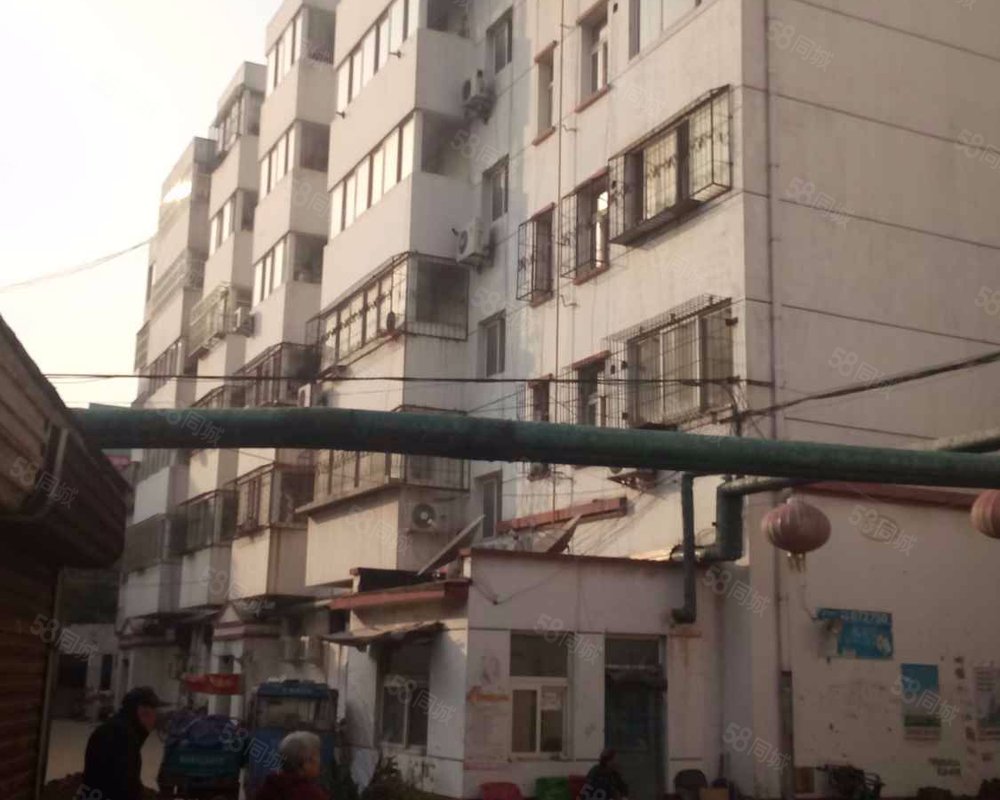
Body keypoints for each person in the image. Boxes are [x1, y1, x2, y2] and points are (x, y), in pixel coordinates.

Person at [81, 686, 165, 800]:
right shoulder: (123, 737)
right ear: (143, 712)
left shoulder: (115, 728)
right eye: (155, 713)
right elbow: (125, 785)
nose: (155, 719)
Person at [255, 731, 330, 800]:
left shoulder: (268, 788)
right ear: (306, 763)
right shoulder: (311, 795)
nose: (320, 762)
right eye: (317, 756)